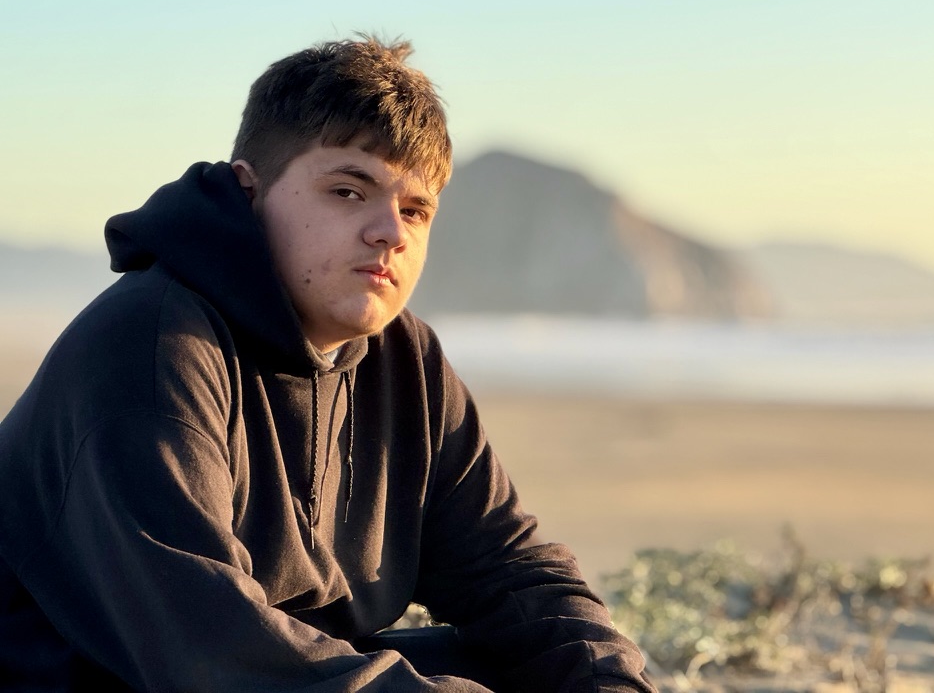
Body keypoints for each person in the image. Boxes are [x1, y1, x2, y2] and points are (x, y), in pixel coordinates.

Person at [0, 36, 656, 692]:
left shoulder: (406, 360)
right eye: (347, 191)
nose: (390, 233)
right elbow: (208, 650)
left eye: (415, 210)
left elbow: (506, 569)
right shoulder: (153, 346)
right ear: (248, 190)